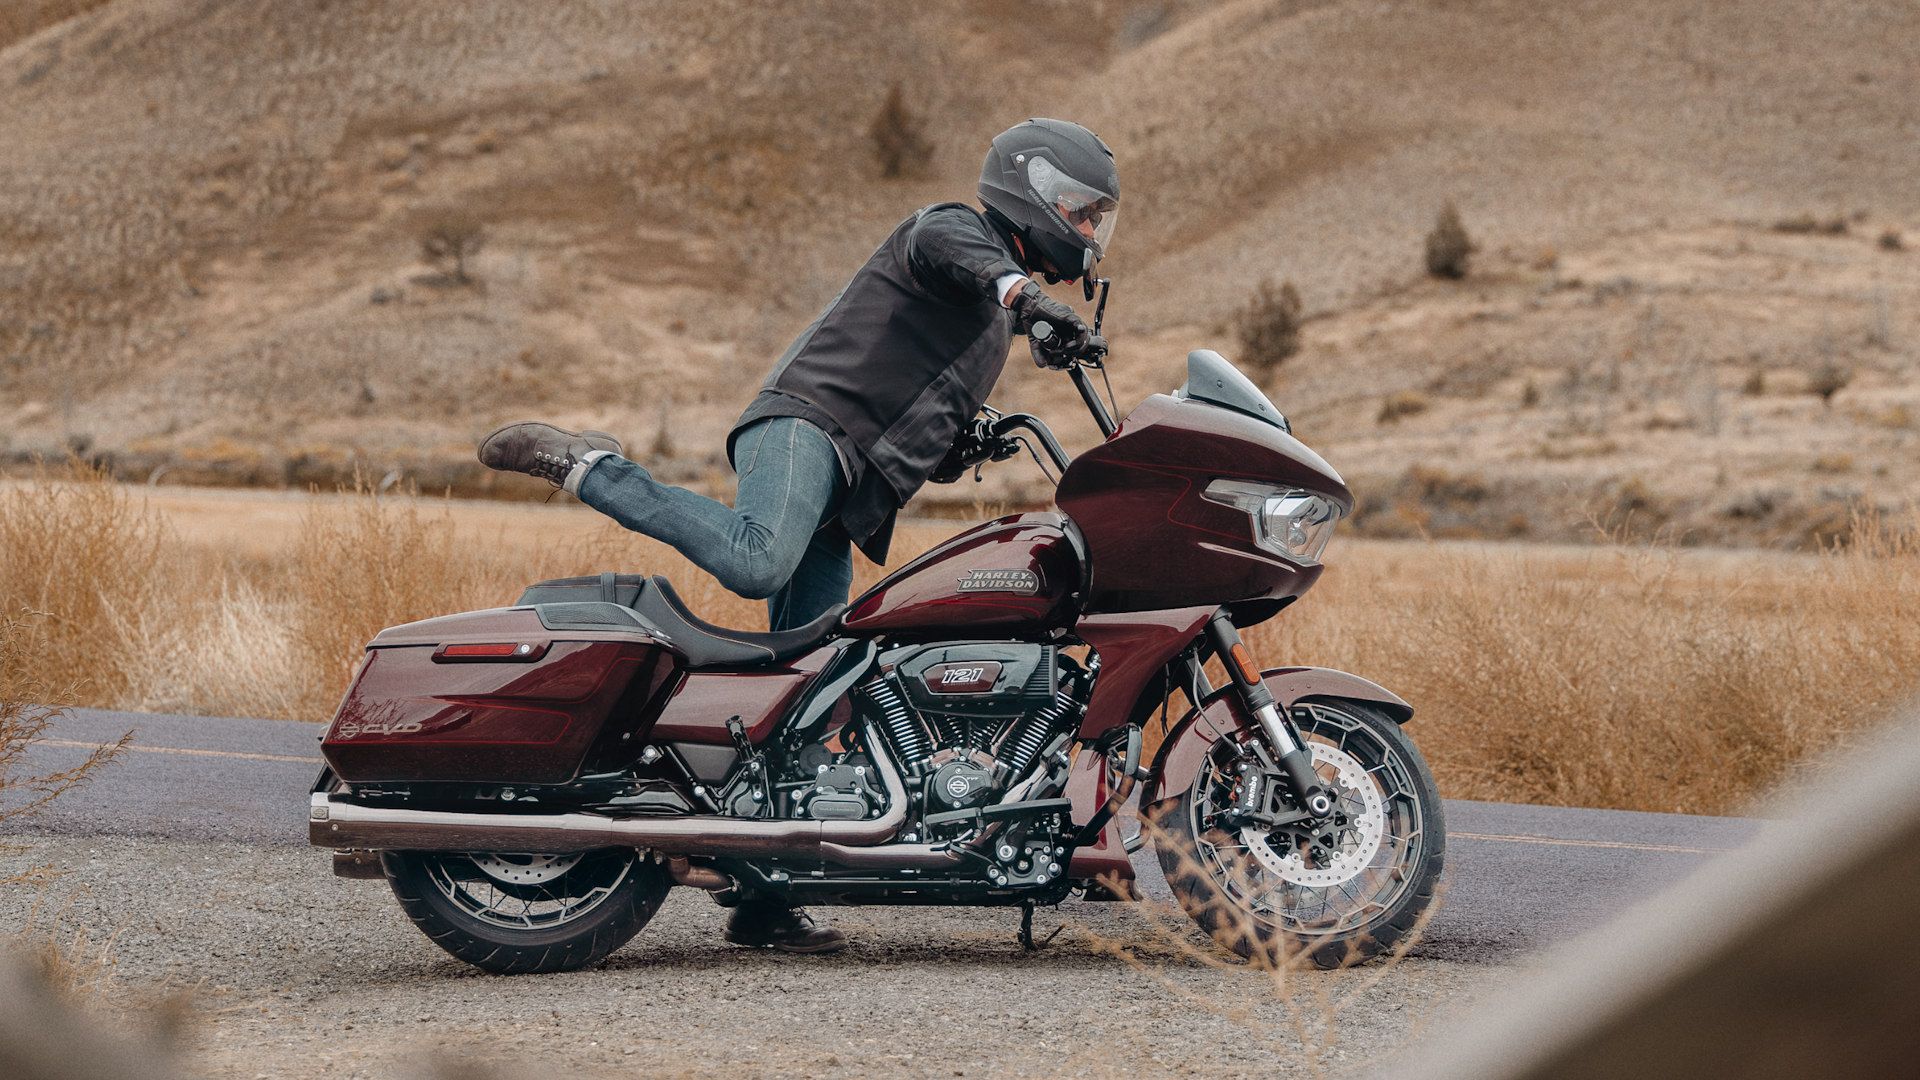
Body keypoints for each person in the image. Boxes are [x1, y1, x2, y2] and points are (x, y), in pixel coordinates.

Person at [476, 118, 1120, 954]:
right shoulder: (955, 232)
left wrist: (972, 437)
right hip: (804, 429)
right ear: (1030, 192)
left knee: (810, 682)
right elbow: (962, 255)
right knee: (757, 557)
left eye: (1097, 217)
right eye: (1080, 211)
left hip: (848, 483)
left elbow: (913, 392)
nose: (1089, 231)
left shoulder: (988, 326)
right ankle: (591, 466)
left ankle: (762, 898)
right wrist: (1029, 301)